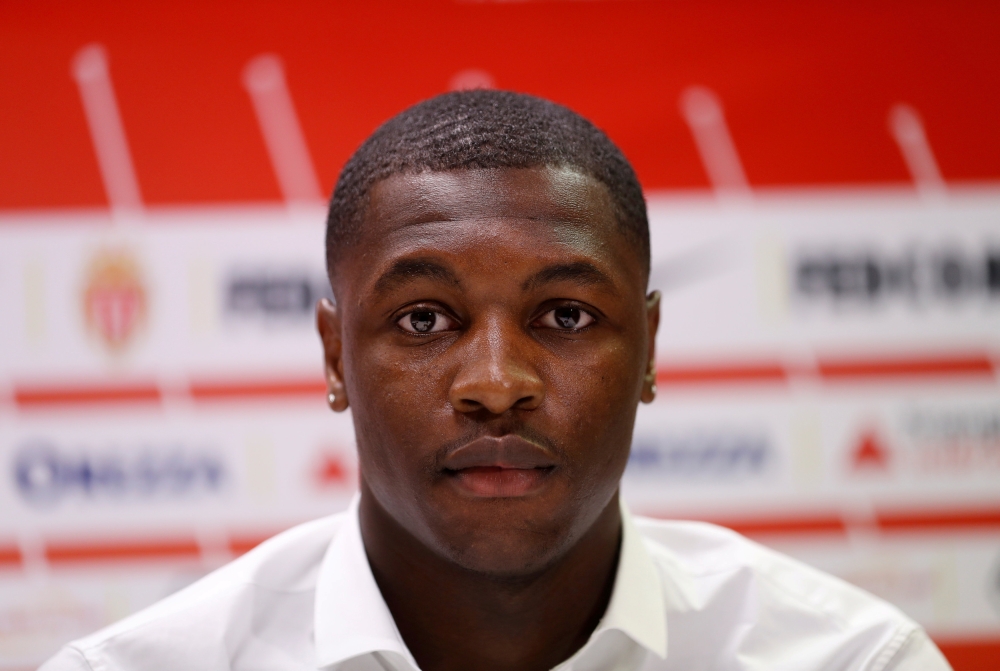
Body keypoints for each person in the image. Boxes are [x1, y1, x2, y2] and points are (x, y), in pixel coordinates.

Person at [40, 90, 951, 671]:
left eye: (564, 315)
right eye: (424, 320)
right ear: (334, 358)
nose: (496, 383)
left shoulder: (849, 659)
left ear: (649, 350)